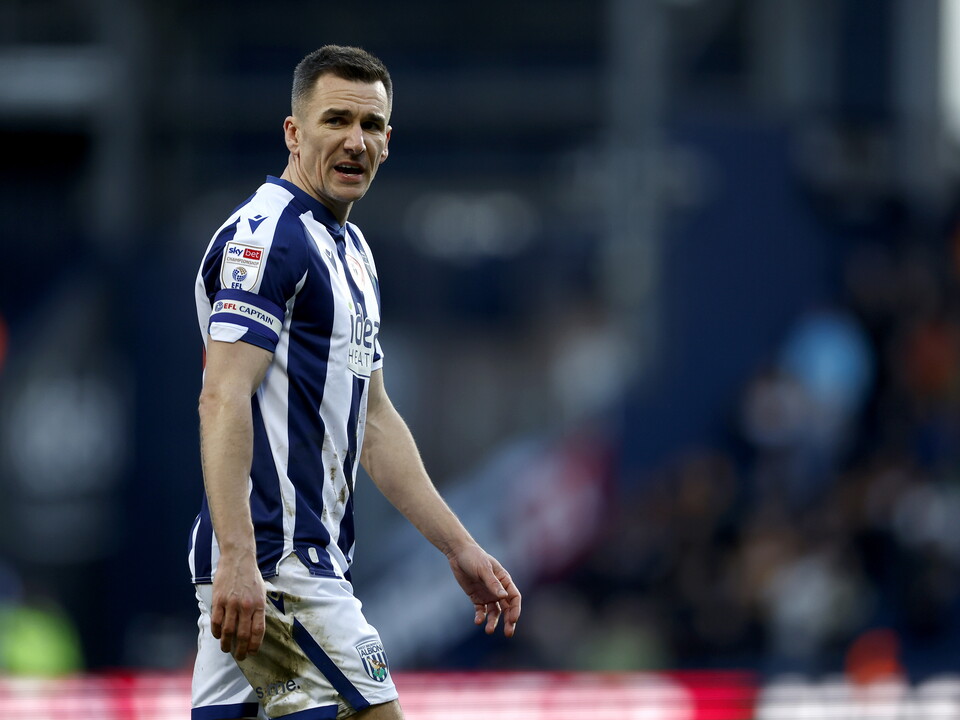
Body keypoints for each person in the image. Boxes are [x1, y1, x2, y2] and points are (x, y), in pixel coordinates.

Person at [188, 45, 521, 720]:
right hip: (277, 562)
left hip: (286, 563)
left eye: (371, 126)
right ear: (293, 132)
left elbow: (372, 420)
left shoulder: (352, 250)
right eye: (335, 119)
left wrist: (459, 547)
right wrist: (239, 558)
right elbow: (223, 396)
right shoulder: (267, 239)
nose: (354, 141)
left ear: (389, 141)